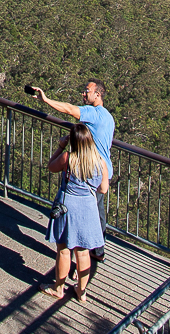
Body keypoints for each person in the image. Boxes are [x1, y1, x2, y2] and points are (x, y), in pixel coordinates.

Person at [29, 80, 115, 273]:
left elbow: (69, 110)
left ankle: (82, 263)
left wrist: (46, 100)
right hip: (102, 171)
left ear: (98, 94)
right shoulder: (108, 117)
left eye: (87, 91)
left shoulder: (93, 114)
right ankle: (97, 251)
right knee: (97, 214)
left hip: (90, 171)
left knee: (85, 220)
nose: (84, 94)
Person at [43, 123, 108, 301]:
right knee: (83, 252)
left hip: (68, 207)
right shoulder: (100, 162)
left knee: (64, 250)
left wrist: (60, 146)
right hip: (88, 208)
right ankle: (81, 290)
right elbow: (103, 188)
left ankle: (58, 288)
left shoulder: (68, 158)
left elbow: (51, 166)